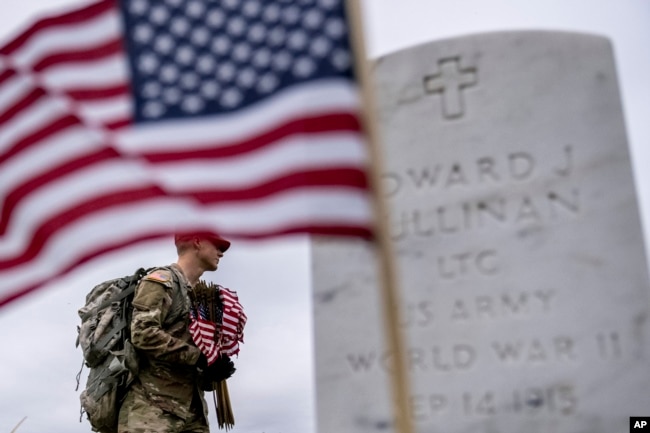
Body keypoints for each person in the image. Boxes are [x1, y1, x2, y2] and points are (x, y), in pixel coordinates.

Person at [117, 232, 235, 433]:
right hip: (152, 412)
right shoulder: (161, 281)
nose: (221, 253)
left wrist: (213, 369)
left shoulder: (201, 297)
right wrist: (199, 358)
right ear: (197, 242)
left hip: (192, 414)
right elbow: (143, 333)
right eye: (217, 246)